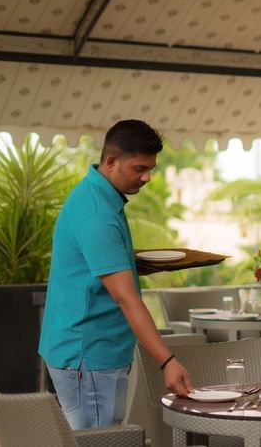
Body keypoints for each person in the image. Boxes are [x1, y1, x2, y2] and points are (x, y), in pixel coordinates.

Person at [39, 119, 193, 430]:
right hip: (89, 354)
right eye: (139, 168)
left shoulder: (94, 196)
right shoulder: (97, 215)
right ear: (111, 161)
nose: (147, 177)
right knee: (101, 441)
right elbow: (125, 297)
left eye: (150, 168)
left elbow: (94, 267)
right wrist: (167, 360)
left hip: (83, 350)